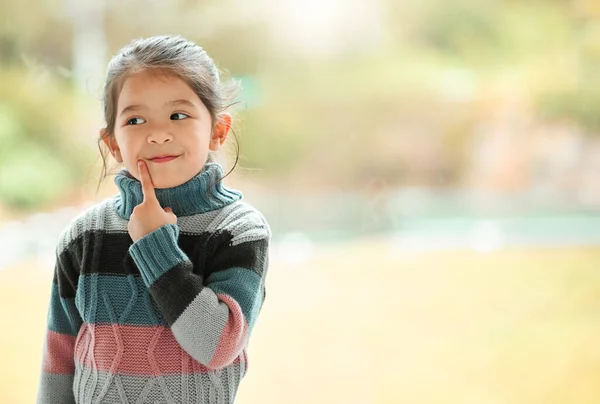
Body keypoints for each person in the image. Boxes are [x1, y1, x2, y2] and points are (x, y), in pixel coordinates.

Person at [36, 35, 271, 404]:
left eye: (179, 115)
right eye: (135, 119)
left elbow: (216, 345)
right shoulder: (83, 236)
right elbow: (58, 359)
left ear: (217, 131)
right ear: (113, 143)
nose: (158, 134)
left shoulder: (238, 231)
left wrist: (155, 246)